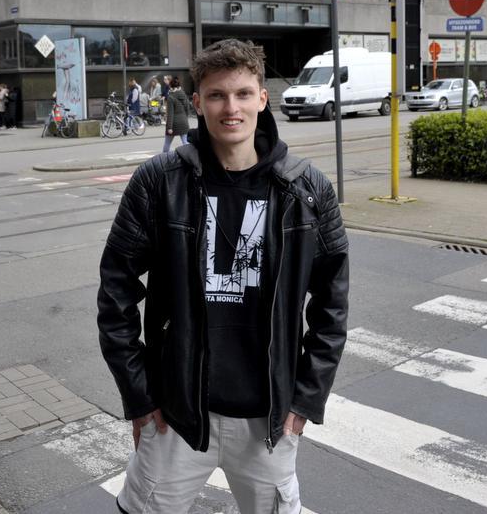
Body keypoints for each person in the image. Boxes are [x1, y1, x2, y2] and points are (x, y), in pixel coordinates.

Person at [98, 39, 350, 514]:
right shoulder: (158, 183)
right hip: (176, 416)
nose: (229, 107)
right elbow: (116, 290)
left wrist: (304, 402)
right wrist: (138, 395)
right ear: (197, 103)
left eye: (241, 93)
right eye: (216, 95)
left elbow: (332, 304)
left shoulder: (308, 190)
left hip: (268, 422)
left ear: (262, 98)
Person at [162, 76, 191, 153]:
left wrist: (169, 127)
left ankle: (164, 159)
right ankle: (191, 157)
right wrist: (185, 118)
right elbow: (188, 108)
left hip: (174, 124)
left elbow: (170, 113)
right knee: (185, 142)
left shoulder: (171, 97)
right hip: (184, 122)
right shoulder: (183, 94)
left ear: (170, 86)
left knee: (167, 144)